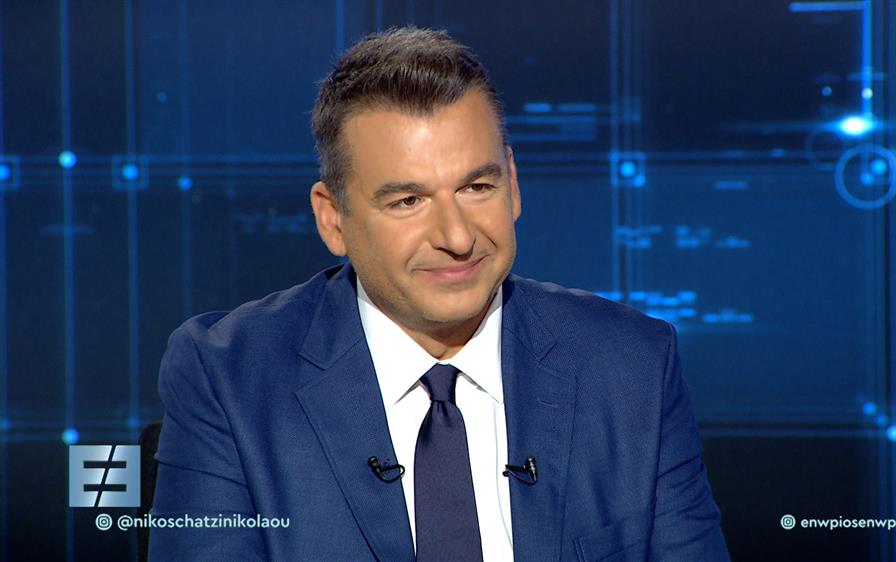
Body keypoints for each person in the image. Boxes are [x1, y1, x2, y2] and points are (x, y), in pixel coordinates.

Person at [150, 27, 729, 561]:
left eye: (476, 187)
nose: (457, 237)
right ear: (333, 219)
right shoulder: (229, 379)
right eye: (408, 201)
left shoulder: (633, 368)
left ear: (513, 184)